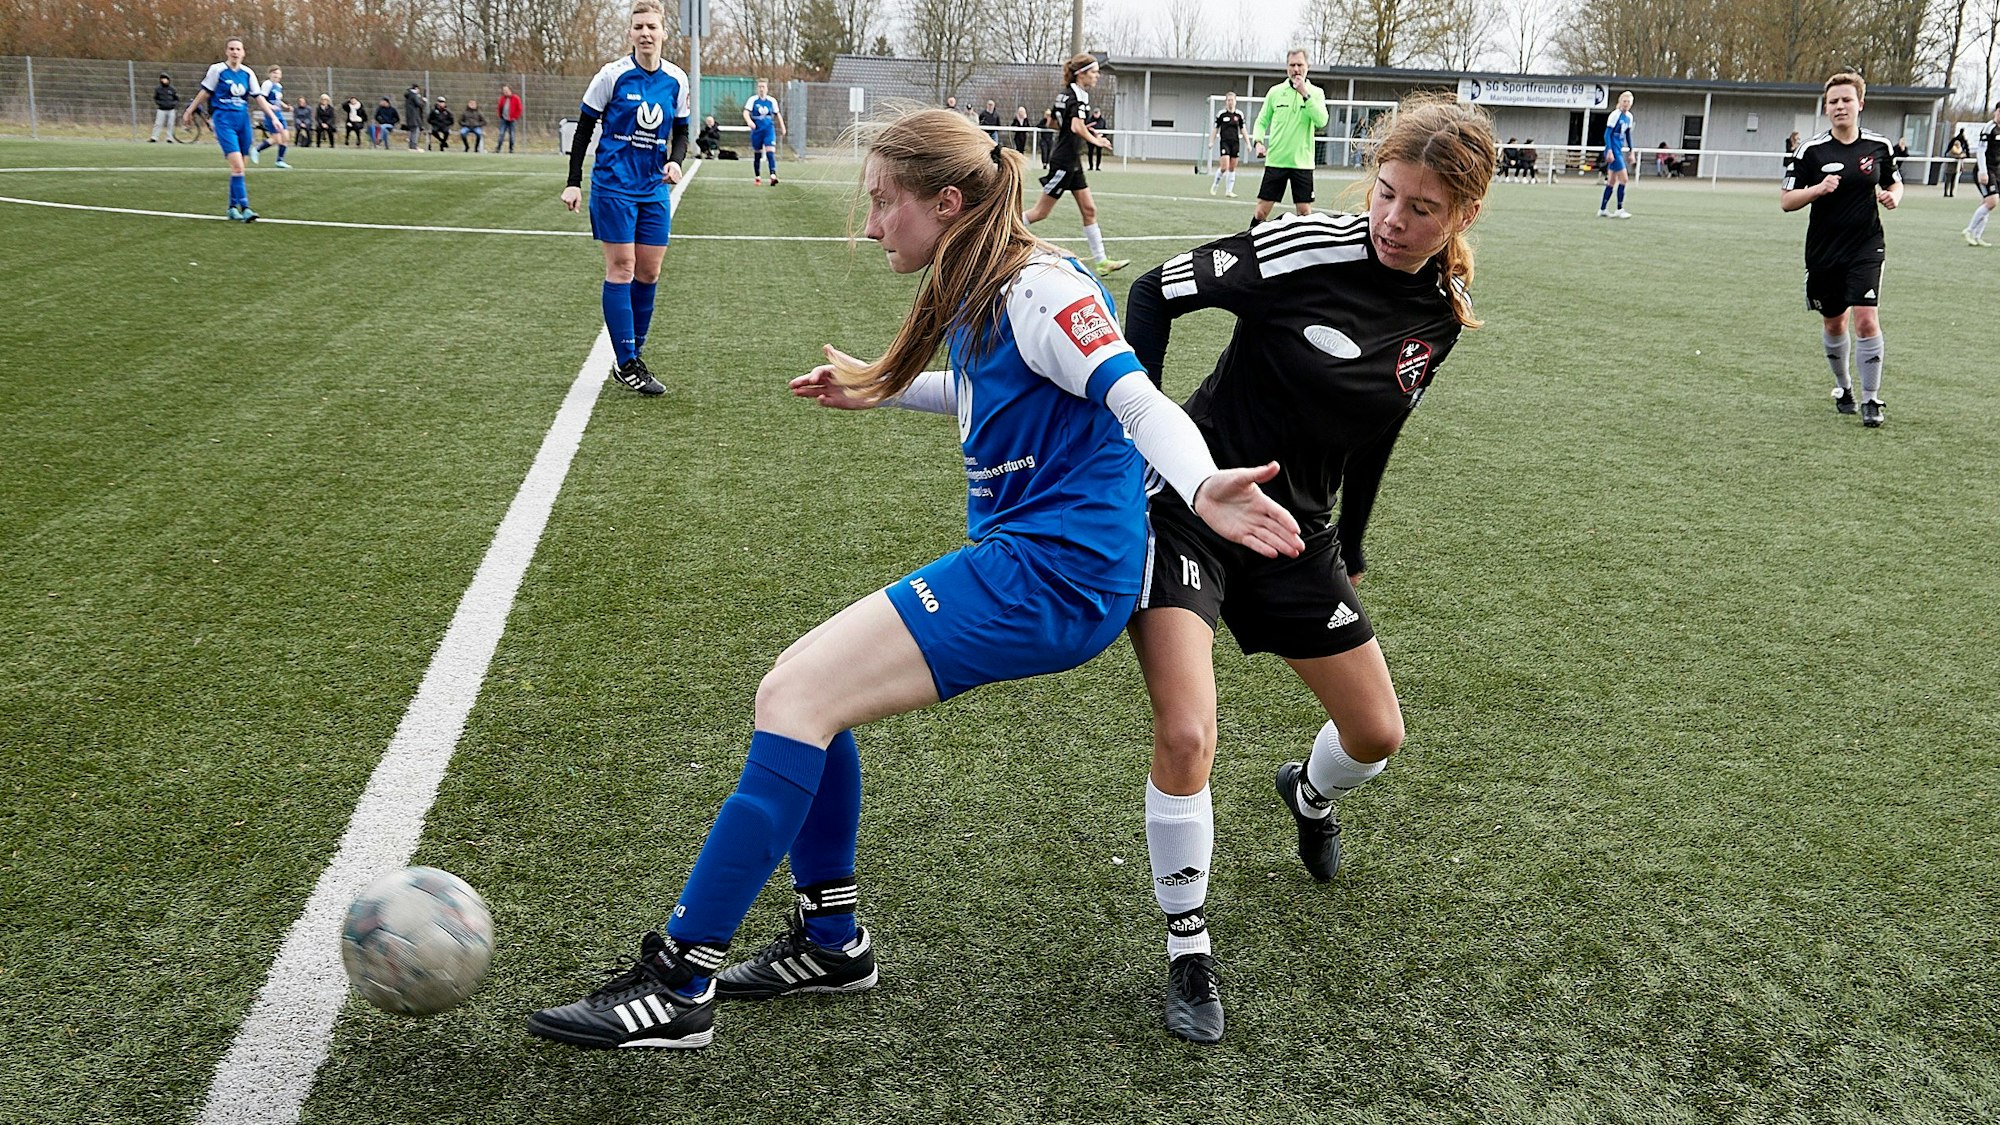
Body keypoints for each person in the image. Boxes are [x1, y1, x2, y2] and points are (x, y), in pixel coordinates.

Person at [524, 105, 1303, 1052]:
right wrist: (885, 386)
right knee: (806, 693)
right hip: (1031, 562)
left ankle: (682, 978)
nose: (869, 225)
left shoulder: (1042, 288)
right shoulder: (979, 281)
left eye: (882, 203)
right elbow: (1001, 390)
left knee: (796, 694)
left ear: (944, 201)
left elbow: (1135, 398)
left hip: (1059, 577)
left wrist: (1203, 483)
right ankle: (830, 940)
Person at [1118, 92, 1493, 1046]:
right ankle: (1188, 944)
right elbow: (1153, 293)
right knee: (1190, 731)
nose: (1395, 222)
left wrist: (1353, 545)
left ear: (1463, 215)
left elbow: (1377, 433)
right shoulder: (1304, 247)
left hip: (1297, 533)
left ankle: (1308, 791)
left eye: (1422, 209)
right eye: (1387, 194)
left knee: (1376, 733)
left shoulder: (1441, 314)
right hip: (1194, 508)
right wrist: (1147, 451)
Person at [562, 0, 691, 398]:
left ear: (664, 32)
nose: (645, 33)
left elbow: (682, 132)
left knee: (649, 272)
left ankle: (633, 351)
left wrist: (674, 161)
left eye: (652, 26)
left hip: (652, 188)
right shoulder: (611, 75)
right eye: (638, 27)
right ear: (630, 33)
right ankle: (627, 360)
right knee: (622, 267)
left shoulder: (677, 79)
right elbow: (583, 131)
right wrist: (573, 182)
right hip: (613, 185)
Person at [1781, 71, 1900, 429]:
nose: (1839, 106)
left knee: (1866, 318)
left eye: (1846, 100)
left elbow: (1893, 180)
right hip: (1824, 250)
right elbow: (1786, 201)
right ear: (1826, 107)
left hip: (1866, 244)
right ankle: (1844, 387)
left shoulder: (1878, 146)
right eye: (1833, 101)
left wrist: (1893, 196)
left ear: (1860, 103)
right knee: (1835, 322)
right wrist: (1817, 189)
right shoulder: (1810, 151)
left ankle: (1871, 399)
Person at [1021, 54, 1128, 277]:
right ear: (1082, 74)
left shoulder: (1066, 94)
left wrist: (1087, 130)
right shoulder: (1078, 96)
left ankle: (1101, 262)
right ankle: (999, 232)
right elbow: (1076, 127)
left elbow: (1052, 123)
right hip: (1064, 162)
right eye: (1094, 72)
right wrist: (1096, 140)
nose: (1097, 76)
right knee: (1040, 212)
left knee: (1089, 210)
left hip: (1072, 161)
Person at [182, 38, 282, 221]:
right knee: (237, 166)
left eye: (238, 49)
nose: (235, 52)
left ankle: (231, 208)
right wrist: (190, 110)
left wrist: (273, 117)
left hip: (243, 120)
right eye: (231, 49)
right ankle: (245, 208)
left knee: (240, 167)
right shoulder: (217, 70)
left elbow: (258, 98)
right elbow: (205, 92)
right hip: (224, 120)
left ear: (243, 52)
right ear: (226, 52)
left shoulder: (247, 73)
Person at [1250, 49, 1329, 223]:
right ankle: (1250, 246)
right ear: (1287, 68)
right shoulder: (1275, 92)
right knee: (1261, 212)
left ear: (1307, 67)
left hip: (1302, 162)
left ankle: (1305, 249)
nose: (1296, 69)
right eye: (1292, 65)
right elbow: (1262, 120)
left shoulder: (1315, 93)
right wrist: (1258, 142)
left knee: (1304, 213)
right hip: (1276, 160)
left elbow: (1321, 120)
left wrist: (1304, 94)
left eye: (1300, 65)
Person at [1963, 102, 2000, 245]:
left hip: (1997, 171)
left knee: (1987, 203)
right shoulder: (1989, 128)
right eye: (1999, 112)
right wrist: (1983, 172)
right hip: (1985, 170)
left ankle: (1977, 236)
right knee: (1992, 201)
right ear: (1995, 112)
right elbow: (1981, 151)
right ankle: (1969, 230)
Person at [1598, 90, 1634, 216]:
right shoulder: (1615, 115)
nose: (1626, 104)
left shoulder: (1629, 117)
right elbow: (1607, 134)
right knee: (1624, 179)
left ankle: (1602, 209)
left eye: (1628, 102)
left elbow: (1628, 135)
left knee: (1611, 182)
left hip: (1618, 149)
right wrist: (1609, 150)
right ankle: (1619, 209)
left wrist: (1631, 150)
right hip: (1613, 151)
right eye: (1624, 101)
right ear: (1620, 102)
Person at [743, 78, 786, 185]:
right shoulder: (753, 100)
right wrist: (749, 121)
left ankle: (773, 175)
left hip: (768, 129)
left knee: (770, 152)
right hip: (757, 130)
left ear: (767, 88)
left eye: (763, 87)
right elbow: (745, 112)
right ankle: (757, 177)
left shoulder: (772, 101)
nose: (761, 89)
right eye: (759, 87)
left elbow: (777, 114)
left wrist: (782, 126)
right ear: (757, 88)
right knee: (757, 154)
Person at [253, 65, 292, 167]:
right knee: (276, 139)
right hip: (270, 115)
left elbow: (278, 101)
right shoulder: (267, 84)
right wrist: (270, 106)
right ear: (270, 74)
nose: (276, 75)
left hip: (279, 114)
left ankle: (280, 160)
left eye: (278, 73)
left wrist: (285, 106)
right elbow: (262, 99)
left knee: (286, 137)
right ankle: (256, 150)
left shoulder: (279, 86)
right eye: (274, 73)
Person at [1210, 92, 1245, 197]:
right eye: (1228, 100)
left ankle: (1229, 191)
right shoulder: (1221, 114)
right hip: (1224, 142)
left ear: (1235, 101)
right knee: (1224, 167)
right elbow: (1215, 129)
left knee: (1232, 168)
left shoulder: (1239, 115)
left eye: (1232, 100)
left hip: (1235, 143)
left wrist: (1248, 143)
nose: (1230, 102)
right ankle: (1215, 185)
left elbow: (1243, 129)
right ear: (1226, 102)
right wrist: (1211, 141)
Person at [150, 73, 179, 143]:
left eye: (165, 79)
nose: (164, 80)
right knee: (158, 123)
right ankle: (154, 137)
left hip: (171, 109)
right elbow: (155, 98)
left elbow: (176, 98)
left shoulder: (172, 89)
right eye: (162, 79)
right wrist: (160, 104)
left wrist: (173, 104)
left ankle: (169, 138)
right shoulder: (158, 89)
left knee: (170, 124)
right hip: (161, 109)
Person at [1943, 128, 1970, 197]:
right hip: (1949, 169)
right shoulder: (1951, 152)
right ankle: (1946, 192)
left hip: (1955, 169)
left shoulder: (1960, 150)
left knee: (1953, 181)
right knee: (1948, 181)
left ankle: (1951, 193)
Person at [496, 84, 523, 152]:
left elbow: (519, 109)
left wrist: (515, 117)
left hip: (512, 120)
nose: (505, 92)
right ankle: (498, 148)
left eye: (506, 90)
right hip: (504, 119)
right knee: (501, 133)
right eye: (504, 90)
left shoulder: (516, 98)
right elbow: (499, 108)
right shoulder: (502, 98)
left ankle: (511, 149)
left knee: (512, 134)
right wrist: (500, 115)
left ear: (510, 90)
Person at [1084, 103, 1107, 170]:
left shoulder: (1102, 121)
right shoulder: (1090, 120)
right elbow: (1086, 127)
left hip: (1099, 139)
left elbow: (1103, 128)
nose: (1096, 114)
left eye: (1097, 113)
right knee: (1090, 152)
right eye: (1095, 113)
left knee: (1099, 153)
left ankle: (1097, 167)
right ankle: (1091, 166)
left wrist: (1102, 135)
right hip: (1091, 138)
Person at [404, 83, 425, 150]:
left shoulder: (409, 95)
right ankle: (414, 146)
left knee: (413, 131)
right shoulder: (413, 95)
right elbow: (419, 105)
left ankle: (411, 146)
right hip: (414, 117)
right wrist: (423, 101)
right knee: (415, 131)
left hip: (409, 116)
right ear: (416, 88)